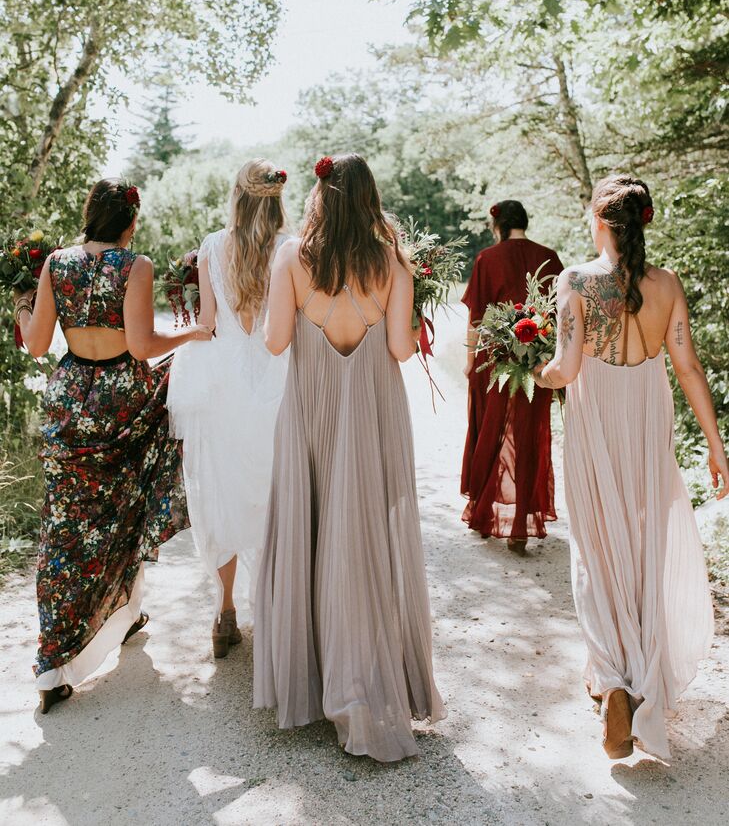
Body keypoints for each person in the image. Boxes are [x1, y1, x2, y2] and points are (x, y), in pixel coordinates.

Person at [253, 154, 444, 762]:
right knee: (362, 541)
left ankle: (317, 683)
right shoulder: (391, 262)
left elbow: (277, 341)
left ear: (319, 196)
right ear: (369, 198)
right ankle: (363, 682)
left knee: (313, 534)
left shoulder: (290, 257)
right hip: (370, 413)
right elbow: (400, 348)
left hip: (311, 411)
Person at [534, 174, 728, 761]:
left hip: (597, 422)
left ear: (598, 221)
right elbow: (689, 368)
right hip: (646, 419)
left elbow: (566, 370)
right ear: (644, 221)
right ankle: (637, 683)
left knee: (597, 549)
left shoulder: (576, 281)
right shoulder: (666, 285)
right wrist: (717, 446)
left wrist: (535, 371)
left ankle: (614, 683)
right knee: (644, 548)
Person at [13, 179, 211, 714]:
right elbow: (143, 345)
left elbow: (34, 344)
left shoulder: (56, 263)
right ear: (129, 222)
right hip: (122, 401)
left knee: (65, 528)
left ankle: (54, 663)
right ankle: (123, 611)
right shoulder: (135, 265)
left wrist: (18, 304)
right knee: (125, 509)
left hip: (70, 398)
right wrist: (193, 336)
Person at [167, 159, 290, 657]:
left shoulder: (213, 247)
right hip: (277, 377)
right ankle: (280, 608)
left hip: (223, 377)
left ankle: (224, 613)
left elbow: (208, 321)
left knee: (221, 494)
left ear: (237, 197)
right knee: (273, 493)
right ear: (276, 198)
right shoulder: (290, 248)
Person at [461, 200, 562, 552]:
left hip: (497, 360)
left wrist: (470, 359)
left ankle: (485, 514)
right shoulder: (549, 256)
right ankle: (521, 525)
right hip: (540, 360)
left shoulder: (487, 259)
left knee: (491, 428)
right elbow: (562, 315)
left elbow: (476, 316)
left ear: (498, 225)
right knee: (531, 433)